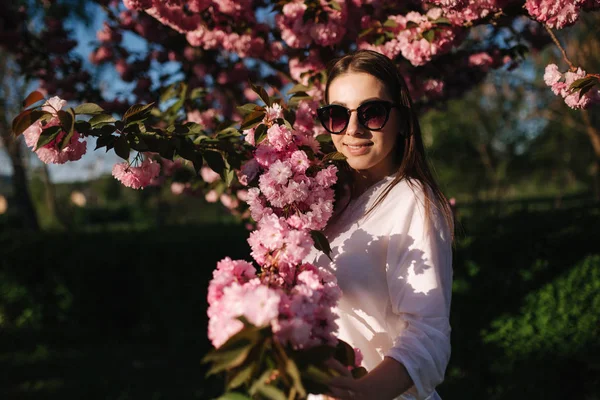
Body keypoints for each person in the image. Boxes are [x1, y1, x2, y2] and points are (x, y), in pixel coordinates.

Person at [305, 49, 454, 400]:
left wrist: (359, 393)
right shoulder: (325, 202)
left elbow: (429, 335)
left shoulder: (412, 201)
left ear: (402, 120)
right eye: (337, 115)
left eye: (372, 112)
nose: (353, 129)